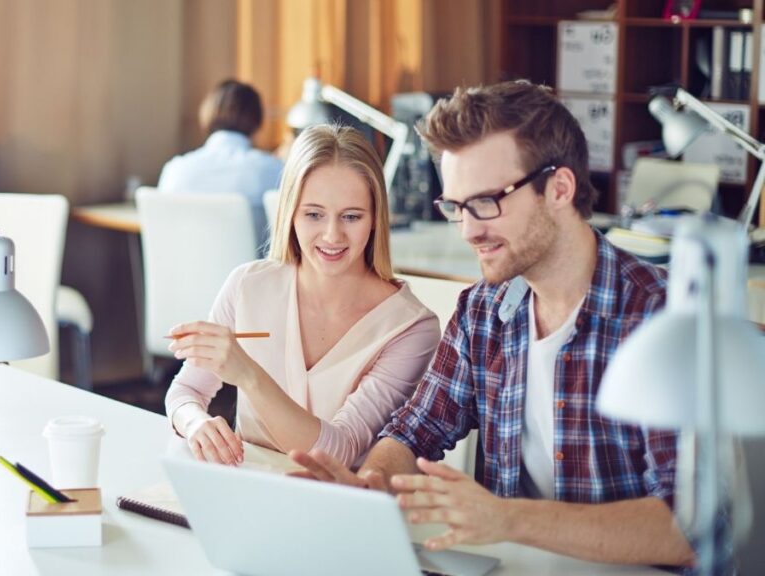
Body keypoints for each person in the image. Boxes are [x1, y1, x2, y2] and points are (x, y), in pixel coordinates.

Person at [291, 81, 698, 570]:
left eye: (485, 202)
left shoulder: (663, 319)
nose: (467, 230)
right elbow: (413, 431)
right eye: (456, 207)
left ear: (559, 189)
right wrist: (370, 483)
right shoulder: (483, 313)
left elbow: (686, 528)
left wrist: (507, 519)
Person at [164, 124, 441, 468]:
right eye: (313, 214)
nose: (332, 235)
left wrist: (248, 374)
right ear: (290, 214)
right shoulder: (247, 285)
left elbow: (337, 452)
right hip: (252, 492)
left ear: (375, 220)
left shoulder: (412, 328)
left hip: (343, 508)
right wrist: (196, 424)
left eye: (352, 217)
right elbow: (185, 392)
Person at [158, 79, 284, 252]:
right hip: (247, 277)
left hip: (178, 277)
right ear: (257, 120)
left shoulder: (174, 169)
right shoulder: (272, 169)